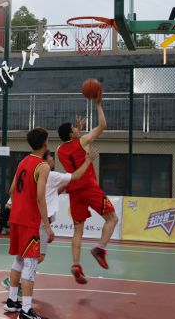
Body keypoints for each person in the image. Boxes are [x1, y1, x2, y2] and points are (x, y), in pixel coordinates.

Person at [1, 148, 100, 297]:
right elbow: (77, 176)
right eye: (51, 157)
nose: (53, 159)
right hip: (40, 220)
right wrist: (88, 161)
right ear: (45, 160)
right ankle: (15, 285)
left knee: (23, 256)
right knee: (36, 257)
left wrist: (66, 184)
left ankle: (13, 284)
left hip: (28, 219)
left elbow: (49, 193)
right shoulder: (51, 175)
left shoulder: (33, 172)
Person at [57, 94, 119, 285]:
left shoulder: (59, 150)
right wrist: (98, 106)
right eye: (75, 128)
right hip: (89, 187)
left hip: (74, 191)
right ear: (71, 134)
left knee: (78, 230)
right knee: (112, 218)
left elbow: (74, 149)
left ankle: (76, 265)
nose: (78, 128)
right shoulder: (83, 141)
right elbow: (102, 126)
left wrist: (78, 133)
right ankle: (100, 248)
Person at [4, 128, 53, 319]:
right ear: (45, 143)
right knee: (31, 263)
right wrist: (47, 226)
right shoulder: (43, 166)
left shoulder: (23, 162)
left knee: (19, 259)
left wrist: (21, 204)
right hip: (29, 221)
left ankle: (11, 300)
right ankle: (26, 310)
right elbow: (40, 198)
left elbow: (11, 190)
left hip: (16, 218)